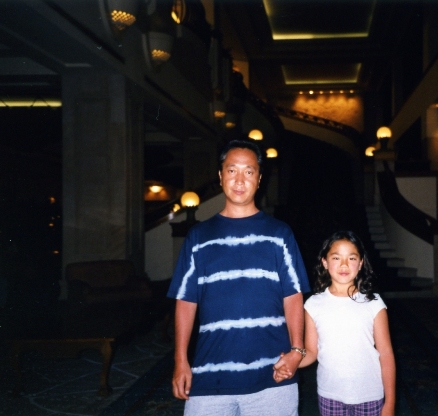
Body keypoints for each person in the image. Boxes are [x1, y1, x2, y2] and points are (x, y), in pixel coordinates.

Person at [168, 139, 311, 416]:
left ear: (259, 179)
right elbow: (186, 302)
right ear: (221, 176)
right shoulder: (198, 237)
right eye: (232, 170)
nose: (240, 180)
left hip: (274, 375)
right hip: (210, 374)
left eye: (249, 171)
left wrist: (297, 351)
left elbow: (293, 296)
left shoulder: (280, 234)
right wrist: (180, 360)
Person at [274, 230, 396, 416]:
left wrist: (390, 403)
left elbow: (386, 354)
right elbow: (312, 352)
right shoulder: (313, 305)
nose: (344, 264)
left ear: (361, 263)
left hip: (370, 395)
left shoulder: (374, 303)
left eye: (352, 258)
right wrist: (292, 361)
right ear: (325, 262)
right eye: (336, 258)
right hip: (330, 396)